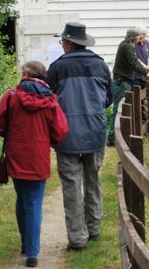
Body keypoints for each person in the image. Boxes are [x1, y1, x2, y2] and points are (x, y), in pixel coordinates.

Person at [0, 61, 69, 268]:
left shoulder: (11, 97)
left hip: (16, 154)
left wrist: (14, 134)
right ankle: (32, 252)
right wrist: (48, 139)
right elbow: (61, 130)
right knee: (33, 202)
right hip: (38, 156)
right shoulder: (50, 100)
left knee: (22, 198)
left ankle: (26, 244)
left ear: (25, 75)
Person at [45, 22, 113, 251]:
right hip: (95, 131)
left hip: (66, 134)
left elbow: (49, 102)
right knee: (93, 180)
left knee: (72, 186)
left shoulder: (57, 68)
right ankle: (93, 228)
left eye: (62, 41)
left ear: (68, 43)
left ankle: (77, 238)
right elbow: (108, 99)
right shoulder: (100, 65)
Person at [110, 27, 149, 143]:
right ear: (134, 37)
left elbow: (134, 62)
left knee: (124, 109)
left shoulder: (128, 45)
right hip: (121, 82)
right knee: (119, 109)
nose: (140, 38)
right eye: (138, 36)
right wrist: (146, 73)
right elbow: (134, 62)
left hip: (124, 81)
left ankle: (119, 136)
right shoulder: (126, 46)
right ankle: (112, 137)